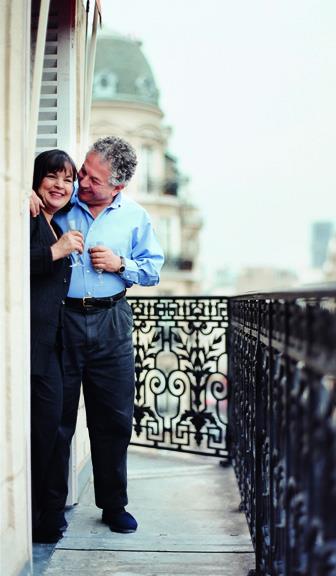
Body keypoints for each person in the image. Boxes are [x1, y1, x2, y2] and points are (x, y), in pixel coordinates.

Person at [31, 136, 164, 538]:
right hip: (62, 323)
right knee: (57, 422)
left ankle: (114, 504)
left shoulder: (135, 217)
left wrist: (121, 264)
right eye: (83, 172)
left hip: (112, 322)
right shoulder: (58, 205)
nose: (81, 182)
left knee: (113, 420)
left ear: (117, 187)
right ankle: (50, 511)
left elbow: (153, 270)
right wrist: (24, 194)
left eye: (92, 178)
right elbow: (37, 195)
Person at [30, 149, 84, 543]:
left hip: (54, 344)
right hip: (31, 345)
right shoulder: (28, 217)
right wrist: (57, 250)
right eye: (53, 176)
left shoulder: (51, 219)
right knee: (43, 431)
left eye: (68, 180)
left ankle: (49, 516)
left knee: (53, 430)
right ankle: (36, 516)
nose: (60, 186)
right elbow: (10, 261)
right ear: (37, 178)